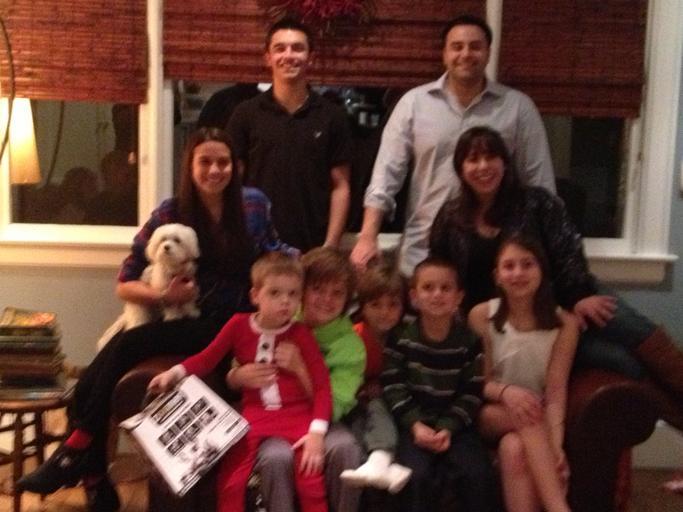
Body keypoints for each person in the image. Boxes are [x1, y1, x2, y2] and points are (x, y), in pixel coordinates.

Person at [17, 127, 297, 512]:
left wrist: (311, 265)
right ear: (190, 166)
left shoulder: (253, 205)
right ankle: (88, 467)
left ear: (235, 166)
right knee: (99, 372)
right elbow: (126, 281)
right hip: (184, 316)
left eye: (223, 162)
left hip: (234, 323)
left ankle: (78, 453)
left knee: (126, 344)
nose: (215, 170)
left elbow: (276, 251)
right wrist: (165, 296)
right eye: (205, 161)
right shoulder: (170, 212)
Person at [429, 125, 683, 425]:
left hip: (559, 300)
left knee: (630, 325)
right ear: (461, 168)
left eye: (491, 157)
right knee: (620, 360)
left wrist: (578, 296)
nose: (483, 166)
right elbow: (442, 270)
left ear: (505, 163)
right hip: (506, 322)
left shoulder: (537, 202)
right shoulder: (451, 217)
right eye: (473, 159)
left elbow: (567, 249)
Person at [350, 14, 555, 277]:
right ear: (444, 54)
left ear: (488, 53)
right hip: (424, 252)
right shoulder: (413, 104)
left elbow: (540, 185)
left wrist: (544, 250)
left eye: (475, 46)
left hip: (496, 256)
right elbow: (386, 176)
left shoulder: (517, 108)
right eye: (457, 47)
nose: (466, 54)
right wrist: (368, 235)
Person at [148, 252, 332, 512]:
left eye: (293, 294)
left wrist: (317, 432)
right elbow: (206, 359)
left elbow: (323, 387)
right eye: (275, 293)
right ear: (255, 295)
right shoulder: (238, 325)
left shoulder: (301, 334)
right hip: (254, 416)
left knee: (310, 480)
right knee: (232, 479)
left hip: (297, 417)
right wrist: (174, 373)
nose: (285, 301)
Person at [228, 247, 366, 512]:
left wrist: (301, 368)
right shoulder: (282, 313)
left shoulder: (351, 345)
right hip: (271, 418)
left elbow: (333, 409)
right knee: (276, 456)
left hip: (321, 422)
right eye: (318, 289)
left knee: (345, 447)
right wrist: (237, 376)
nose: (326, 299)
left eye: (337, 293)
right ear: (302, 290)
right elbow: (237, 362)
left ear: (348, 300)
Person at [468, 234, 579, 512]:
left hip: (535, 416)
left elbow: (555, 391)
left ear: (541, 270)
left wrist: (555, 445)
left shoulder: (565, 323)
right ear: (497, 276)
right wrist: (508, 393)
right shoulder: (481, 315)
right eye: (509, 266)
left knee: (513, 448)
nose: (518, 273)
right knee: (527, 414)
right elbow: (480, 383)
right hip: (489, 411)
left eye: (527, 264)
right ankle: (558, 507)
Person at [382, 257, 496, 512]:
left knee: (478, 474)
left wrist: (448, 427)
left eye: (446, 288)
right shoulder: (401, 337)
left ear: (458, 297)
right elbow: (393, 386)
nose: (437, 294)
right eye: (428, 287)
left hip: (456, 426)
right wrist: (415, 425)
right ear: (414, 296)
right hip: (413, 424)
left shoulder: (469, 341)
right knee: (415, 476)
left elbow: (471, 392)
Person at [228, 18, 352, 251]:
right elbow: (233, 182)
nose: (288, 55)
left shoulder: (332, 116)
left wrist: (330, 245)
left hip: (313, 249)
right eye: (280, 48)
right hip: (258, 248)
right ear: (268, 58)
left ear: (310, 57)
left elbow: (341, 186)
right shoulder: (246, 114)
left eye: (297, 48)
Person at [339, 262, 412, 493]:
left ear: (403, 306)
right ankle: (385, 467)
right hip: (357, 401)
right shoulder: (354, 335)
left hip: (396, 401)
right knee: (359, 424)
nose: (384, 312)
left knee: (378, 406)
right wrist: (361, 389)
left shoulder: (406, 336)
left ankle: (381, 460)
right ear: (363, 306)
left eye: (393, 305)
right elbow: (344, 377)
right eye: (375, 305)